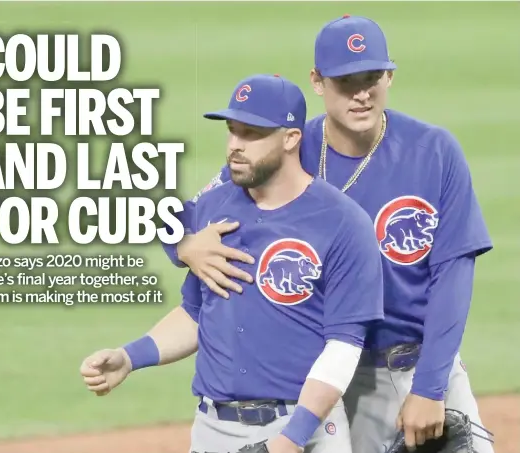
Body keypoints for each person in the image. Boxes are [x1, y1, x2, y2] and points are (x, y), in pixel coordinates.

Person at [161, 15, 495, 453]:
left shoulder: (434, 152)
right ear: (318, 82)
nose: (361, 93)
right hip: (333, 382)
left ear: (389, 75)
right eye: (346, 81)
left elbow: (453, 275)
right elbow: (181, 214)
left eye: (372, 77)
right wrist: (183, 244)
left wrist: (431, 388)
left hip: (420, 365)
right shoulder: (287, 148)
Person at [80, 74, 384, 453]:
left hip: (304, 429)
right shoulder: (214, 208)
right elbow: (196, 312)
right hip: (213, 430)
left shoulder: (342, 222)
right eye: (232, 131)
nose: (236, 146)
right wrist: (130, 357)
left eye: (252, 134)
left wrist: (292, 438)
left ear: (291, 138)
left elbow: (343, 345)